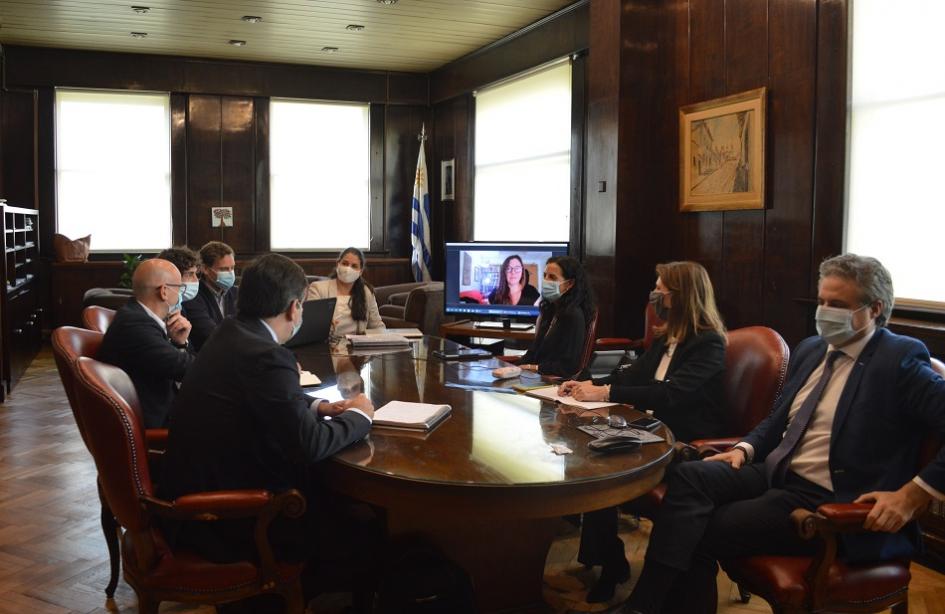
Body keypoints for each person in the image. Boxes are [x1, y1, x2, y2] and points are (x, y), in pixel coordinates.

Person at [621, 254, 945, 614]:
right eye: (822, 301)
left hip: (826, 496)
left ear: (875, 309)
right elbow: (778, 420)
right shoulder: (812, 349)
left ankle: (645, 606)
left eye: (838, 305)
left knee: (697, 530)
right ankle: (646, 605)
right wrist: (744, 449)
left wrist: (913, 495)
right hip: (777, 470)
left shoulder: (899, 358)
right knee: (691, 476)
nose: (824, 312)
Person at [159, 253, 375, 567]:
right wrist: (361, 414)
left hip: (198, 493)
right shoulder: (267, 355)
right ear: (294, 307)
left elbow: (262, 399)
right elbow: (308, 444)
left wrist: (319, 406)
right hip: (230, 518)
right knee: (360, 529)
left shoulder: (231, 332)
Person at [557, 260, 728, 603]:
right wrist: (588, 384)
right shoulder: (667, 338)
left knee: (603, 472)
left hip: (678, 441)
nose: (655, 297)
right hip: (645, 431)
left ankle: (613, 569)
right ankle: (609, 560)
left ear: (682, 296)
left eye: (661, 290)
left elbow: (671, 393)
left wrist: (605, 394)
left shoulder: (708, 343)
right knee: (588, 462)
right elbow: (633, 376)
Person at [98, 258, 195, 428]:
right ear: (164, 291)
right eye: (180, 288)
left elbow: (173, 364)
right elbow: (182, 367)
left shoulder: (138, 317)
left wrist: (180, 343)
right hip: (156, 424)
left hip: (165, 410)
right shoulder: (134, 324)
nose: (181, 294)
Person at [518, 255, 595, 378]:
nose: (546, 281)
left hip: (557, 382)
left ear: (569, 284)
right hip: (537, 378)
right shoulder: (550, 309)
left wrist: (534, 368)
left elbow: (569, 366)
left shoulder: (573, 315)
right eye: (545, 276)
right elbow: (535, 352)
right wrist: (514, 367)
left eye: (552, 277)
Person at [306, 247, 384, 339]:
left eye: (354, 266)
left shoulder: (366, 292)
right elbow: (310, 325)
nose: (348, 269)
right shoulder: (318, 289)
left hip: (357, 348)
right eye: (345, 263)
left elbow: (377, 326)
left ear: (360, 271)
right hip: (327, 345)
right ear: (337, 264)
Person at [182, 240, 238, 351]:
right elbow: (209, 333)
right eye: (224, 269)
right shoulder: (192, 295)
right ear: (205, 269)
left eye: (232, 268)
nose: (231, 273)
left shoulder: (237, 293)